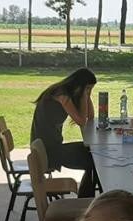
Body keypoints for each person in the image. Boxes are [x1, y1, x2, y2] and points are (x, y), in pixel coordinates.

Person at [31, 68, 97, 197]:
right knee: (92, 161)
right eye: (88, 88)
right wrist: (84, 95)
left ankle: (85, 199)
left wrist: (87, 95)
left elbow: (90, 116)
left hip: (51, 147)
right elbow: (82, 121)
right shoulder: (62, 95)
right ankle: (84, 201)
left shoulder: (64, 92)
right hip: (47, 152)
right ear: (80, 85)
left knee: (92, 153)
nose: (88, 92)